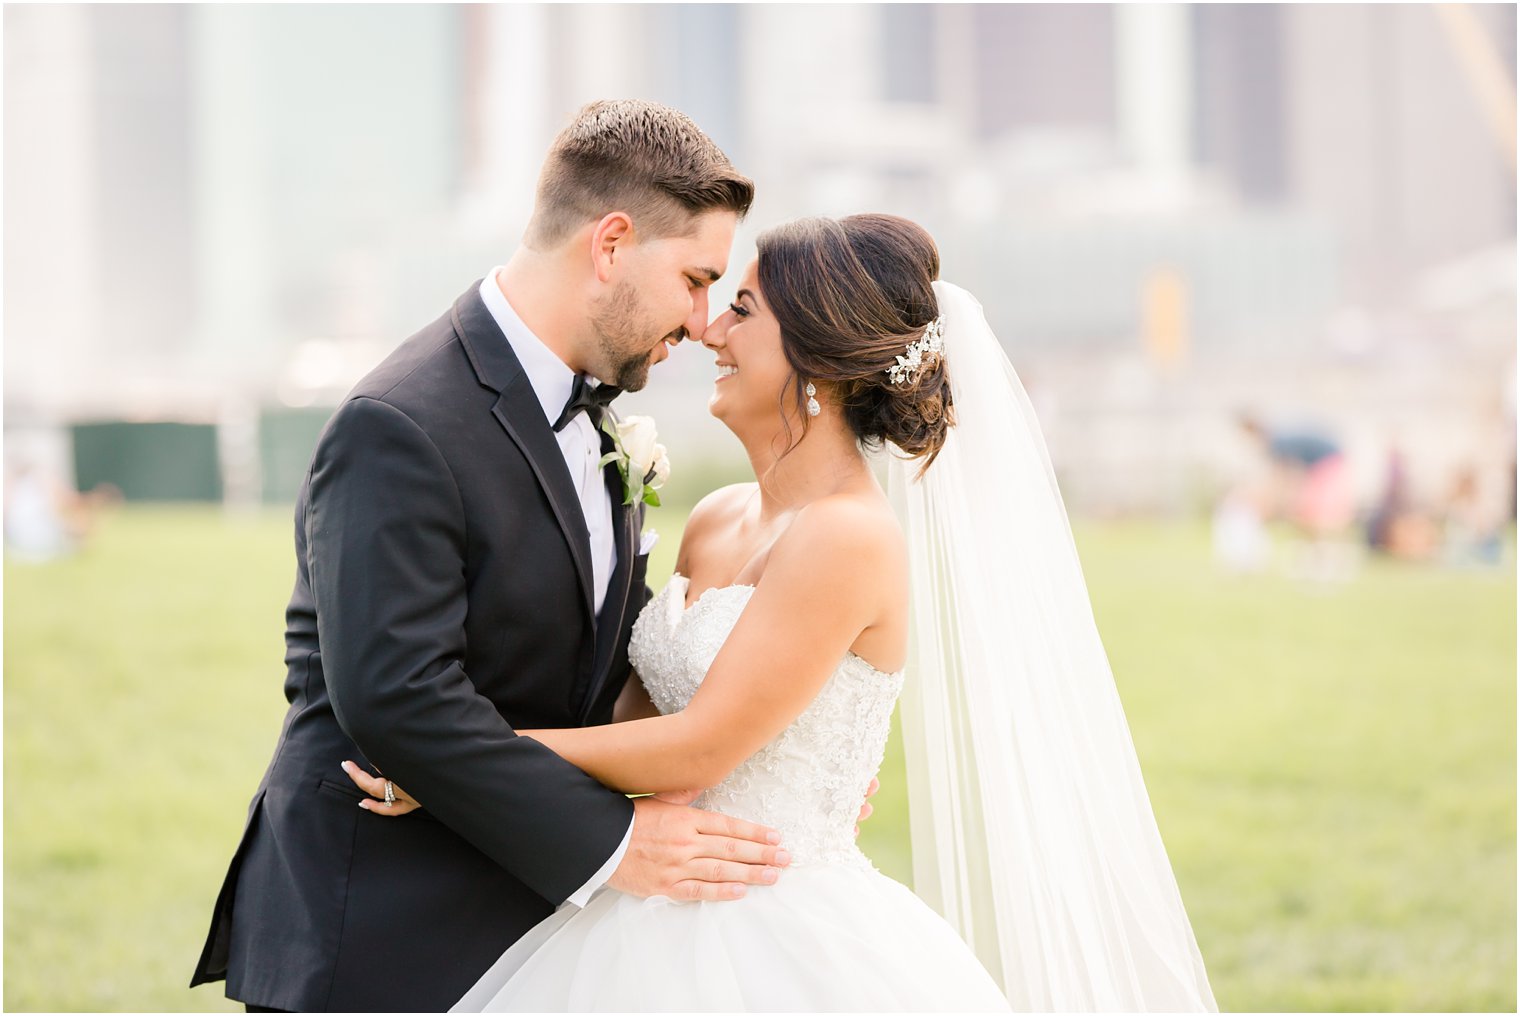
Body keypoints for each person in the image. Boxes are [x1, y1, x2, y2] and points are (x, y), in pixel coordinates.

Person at [345, 215, 1218, 1011]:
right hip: (647, 899)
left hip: (779, 928)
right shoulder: (719, 515)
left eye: (743, 312)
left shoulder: (848, 538)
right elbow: (641, 729)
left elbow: (701, 745)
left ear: (818, 363)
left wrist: (458, 764)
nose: (709, 331)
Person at [189, 100, 807, 1013]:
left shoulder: (592, 412)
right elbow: (397, 696)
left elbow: (589, 665)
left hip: (530, 928)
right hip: (379, 933)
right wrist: (617, 843)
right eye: (693, 278)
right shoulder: (398, 424)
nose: (702, 319)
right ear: (610, 245)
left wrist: (773, 757)